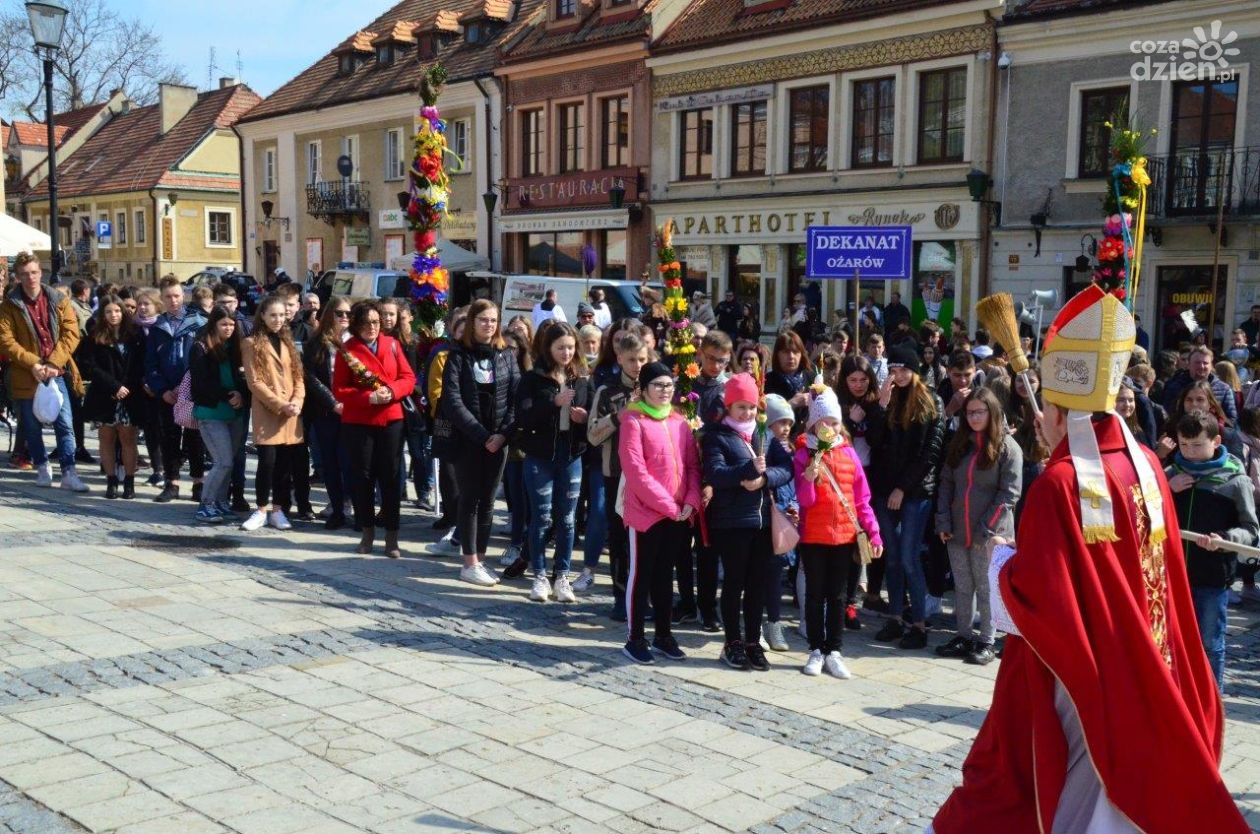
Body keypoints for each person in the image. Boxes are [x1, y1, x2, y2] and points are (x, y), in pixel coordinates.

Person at [931, 285, 1248, 834]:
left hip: (1081, 671)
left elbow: (1041, 594)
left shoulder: (1059, 482)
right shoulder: (1147, 461)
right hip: (1148, 661)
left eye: (1049, 411)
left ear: (1058, 408)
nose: (1043, 423)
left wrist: (1003, 565)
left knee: (1073, 777)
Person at [703, 372, 793, 671]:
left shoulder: (765, 433)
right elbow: (715, 473)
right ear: (728, 407)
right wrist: (747, 470)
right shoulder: (717, 435)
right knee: (734, 582)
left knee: (758, 584)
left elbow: (787, 468)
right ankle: (732, 642)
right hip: (732, 521)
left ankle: (753, 641)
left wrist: (765, 478)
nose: (747, 412)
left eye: (751, 407)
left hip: (763, 521)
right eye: (741, 407)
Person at [1165, 410, 1258, 690]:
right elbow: (1148, 514)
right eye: (1183, 445)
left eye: (1197, 445)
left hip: (1213, 577)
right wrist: (1167, 489)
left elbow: (1251, 530)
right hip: (1174, 574)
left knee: (1209, 642)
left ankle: (1211, 699)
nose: (1189, 453)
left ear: (1216, 441)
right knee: (1172, 641)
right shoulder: (1170, 474)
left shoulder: (1234, 480)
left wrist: (1226, 538)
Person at [618, 360, 702, 664]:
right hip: (647, 513)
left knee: (666, 575)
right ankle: (634, 637)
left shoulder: (679, 421)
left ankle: (663, 635)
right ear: (644, 389)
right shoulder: (633, 420)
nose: (665, 391)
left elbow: (692, 464)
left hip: (679, 513)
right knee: (641, 574)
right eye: (658, 385)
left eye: (669, 385)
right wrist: (669, 506)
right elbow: (636, 472)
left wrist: (690, 500)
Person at [794, 388, 882, 678]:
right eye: (824, 422)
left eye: (834, 422)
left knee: (838, 597)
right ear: (813, 424)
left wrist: (874, 532)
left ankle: (834, 650)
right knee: (815, 595)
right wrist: (809, 476)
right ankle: (815, 650)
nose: (830, 427)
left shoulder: (848, 453)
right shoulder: (804, 452)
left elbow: (862, 498)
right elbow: (804, 500)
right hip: (814, 536)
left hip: (844, 536)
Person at [934, 387, 1022, 666]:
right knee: (963, 586)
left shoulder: (1008, 448)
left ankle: (987, 639)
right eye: (969, 412)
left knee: (986, 587)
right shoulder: (960, 444)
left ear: (992, 412)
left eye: (979, 412)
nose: (973, 417)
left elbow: (1009, 493)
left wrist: (988, 528)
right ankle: (963, 635)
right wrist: (944, 520)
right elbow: (946, 482)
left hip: (991, 534)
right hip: (958, 530)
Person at [871, 344, 945, 650]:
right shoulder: (890, 399)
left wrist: (903, 488)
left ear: (914, 371)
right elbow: (876, 442)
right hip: (885, 489)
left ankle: (918, 623)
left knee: (909, 557)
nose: (897, 375)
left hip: (915, 491)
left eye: (902, 369)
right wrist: (881, 406)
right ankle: (895, 618)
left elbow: (930, 452)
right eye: (893, 369)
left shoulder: (931, 400)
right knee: (892, 558)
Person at [442, 298, 519, 587]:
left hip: (499, 440)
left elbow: (515, 398)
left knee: (488, 501)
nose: (489, 325)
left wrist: (502, 435)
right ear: (472, 322)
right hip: (469, 440)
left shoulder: (506, 355)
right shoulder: (458, 356)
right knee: (470, 499)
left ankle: (482, 560)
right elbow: (452, 402)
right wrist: (482, 436)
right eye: (483, 320)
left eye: (493, 320)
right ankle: (469, 561)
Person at [516, 321, 593, 602]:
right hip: (540, 455)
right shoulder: (533, 378)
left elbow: (592, 415)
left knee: (568, 518)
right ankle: (538, 575)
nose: (566, 352)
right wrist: (553, 403)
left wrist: (583, 419)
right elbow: (523, 417)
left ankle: (562, 575)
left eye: (571, 347)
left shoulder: (582, 376)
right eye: (560, 347)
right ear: (548, 348)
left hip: (571, 453)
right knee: (542, 517)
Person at [0, 252, 89, 492]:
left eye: (34, 272)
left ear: (41, 273)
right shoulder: (9, 306)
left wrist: (52, 363)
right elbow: (5, 340)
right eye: (25, 274)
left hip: (55, 372)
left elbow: (72, 333)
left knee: (65, 424)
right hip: (26, 373)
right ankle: (42, 467)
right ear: (17, 277)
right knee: (30, 425)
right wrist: (33, 363)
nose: (31, 277)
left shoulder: (58, 299)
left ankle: (69, 471)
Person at [335, 300, 416, 559]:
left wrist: (391, 391)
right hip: (360, 422)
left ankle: (392, 537)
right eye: (366, 323)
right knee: (363, 478)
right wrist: (367, 398)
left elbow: (409, 378)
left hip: (391, 418)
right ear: (357, 325)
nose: (371, 327)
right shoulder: (347, 350)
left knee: (391, 479)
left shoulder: (392, 345)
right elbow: (340, 389)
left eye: (376, 322)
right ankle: (367, 532)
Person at [588, 333, 650, 615]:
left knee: (647, 538)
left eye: (642, 359)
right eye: (632, 360)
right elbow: (592, 435)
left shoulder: (655, 388)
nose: (637, 365)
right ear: (620, 359)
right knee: (620, 535)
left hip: (649, 476)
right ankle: (621, 595)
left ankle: (645, 595)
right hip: (616, 473)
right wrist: (619, 415)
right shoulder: (607, 391)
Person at [240, 296, 305, 534]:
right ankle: (261, 509)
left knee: (284, 466)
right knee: (266, 463)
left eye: (281, 315)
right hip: (269, 411)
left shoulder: (288, 342)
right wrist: (280, 404)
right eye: (273, 315)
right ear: (263, 316)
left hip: (291, 413)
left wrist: (296, 402)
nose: (278, 320)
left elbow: (299, 377)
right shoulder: (251, 343)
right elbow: (254, 382)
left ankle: (278, 509)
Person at [144, 276, 207, 503]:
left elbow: (205, 358)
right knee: (169, 438)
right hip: (168, 393)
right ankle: (172, 482)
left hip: (193, 391)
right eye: (168, 296)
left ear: (184, 296)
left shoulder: (199, 323)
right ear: (161, 298)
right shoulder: (158, 328)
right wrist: (162, 390)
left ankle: (199, 482)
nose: (173, 300)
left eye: (177, 296)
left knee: (195, 437)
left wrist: (192, 386)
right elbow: (150, 365)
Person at [81, 296, 147, 500]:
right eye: (109, 312)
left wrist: (127, 386)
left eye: (117, 311)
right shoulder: (94, 336)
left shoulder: (135, 335)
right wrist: (113, 386)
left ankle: (129, 481)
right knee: (106, 439)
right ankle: (111, 480)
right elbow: (88, 365)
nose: (114, 315)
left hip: (130, 395)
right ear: (103, 314)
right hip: (104, 395)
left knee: (128, 439)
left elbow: (141, 364)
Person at [838, 354, 887, 620]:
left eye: (863, 380)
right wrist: (850, 421)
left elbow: (878, 440)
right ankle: (838, 599)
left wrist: (873, 413)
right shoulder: (837, 404)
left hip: (869, 475)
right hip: (842, 475)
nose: (858, 385)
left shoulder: (875, 404)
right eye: (853, 379)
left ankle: (851, 602)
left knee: (862, 540)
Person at [189, 306, 247, 523]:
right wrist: (227, 395)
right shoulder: (200, 347)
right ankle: (206, 504)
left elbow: (242, 376)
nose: (229, 328)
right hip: (211, 411)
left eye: (232, 324)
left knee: (229, 461)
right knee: (222, 461)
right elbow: (201, 383)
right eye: (224, 324)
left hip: (234, 412)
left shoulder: (235, 346)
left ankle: (221, 502)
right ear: (213, 324)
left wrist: (240, 394)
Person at [303, 299, 354, 529]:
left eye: (348, 313)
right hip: (326, 410)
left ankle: (350, 504)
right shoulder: (316, 342)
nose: (345, 317)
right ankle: (336, 508)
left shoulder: (356, 342)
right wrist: (332, 403)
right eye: (339, 313)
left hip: (352, 410)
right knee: (330, 462)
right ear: (329, 315)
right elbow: (311, 378)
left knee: (350, 461)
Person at [762, 393, 798, 651]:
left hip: (783, 517)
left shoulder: (788, 448)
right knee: (761, 574)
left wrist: (794, 506)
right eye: (780, 422)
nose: (785, 428)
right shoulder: (767, 444)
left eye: (789, 423)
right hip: (764, 515)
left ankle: (774, 624)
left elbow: (792, 482)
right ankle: (761, 624)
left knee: (775, 573)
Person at [1162, 345, 1237, 425]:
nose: (1201, 366)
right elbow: (1167, 415)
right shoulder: (1175, 387)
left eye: (1205, 363)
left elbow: (1232, 419)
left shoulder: (1224, 389)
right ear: (1189, 365)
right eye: (1197, 363)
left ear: (1211, 366)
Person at [765, 331, 812, 431]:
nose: (791, 356)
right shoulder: (768, 381)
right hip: (779, 440)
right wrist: (791, 404)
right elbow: (764, 417)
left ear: (802, 354)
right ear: (777, 355)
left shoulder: (811, 378)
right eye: (786, 352)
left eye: (795, 352)